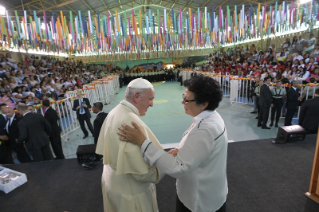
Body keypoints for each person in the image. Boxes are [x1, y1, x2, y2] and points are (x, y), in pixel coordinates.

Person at [118, 75, 227, 212]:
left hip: (199, 202)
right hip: (210, 192)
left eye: (187, 100)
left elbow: (177, 168)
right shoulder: (210, 117)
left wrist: (143, 142)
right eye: (183, 96)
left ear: (204, 104)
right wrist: (181, 149)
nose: (182, 102)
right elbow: (197, 147)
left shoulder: (205, 129)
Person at [95, 78, 165, 212]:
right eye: (150, 99)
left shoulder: (115, 111)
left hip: (113, 183)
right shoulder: (131, 121)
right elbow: (141, 173)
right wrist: (165, 166)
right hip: (131, 195)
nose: (152, 104)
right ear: (136, 96)